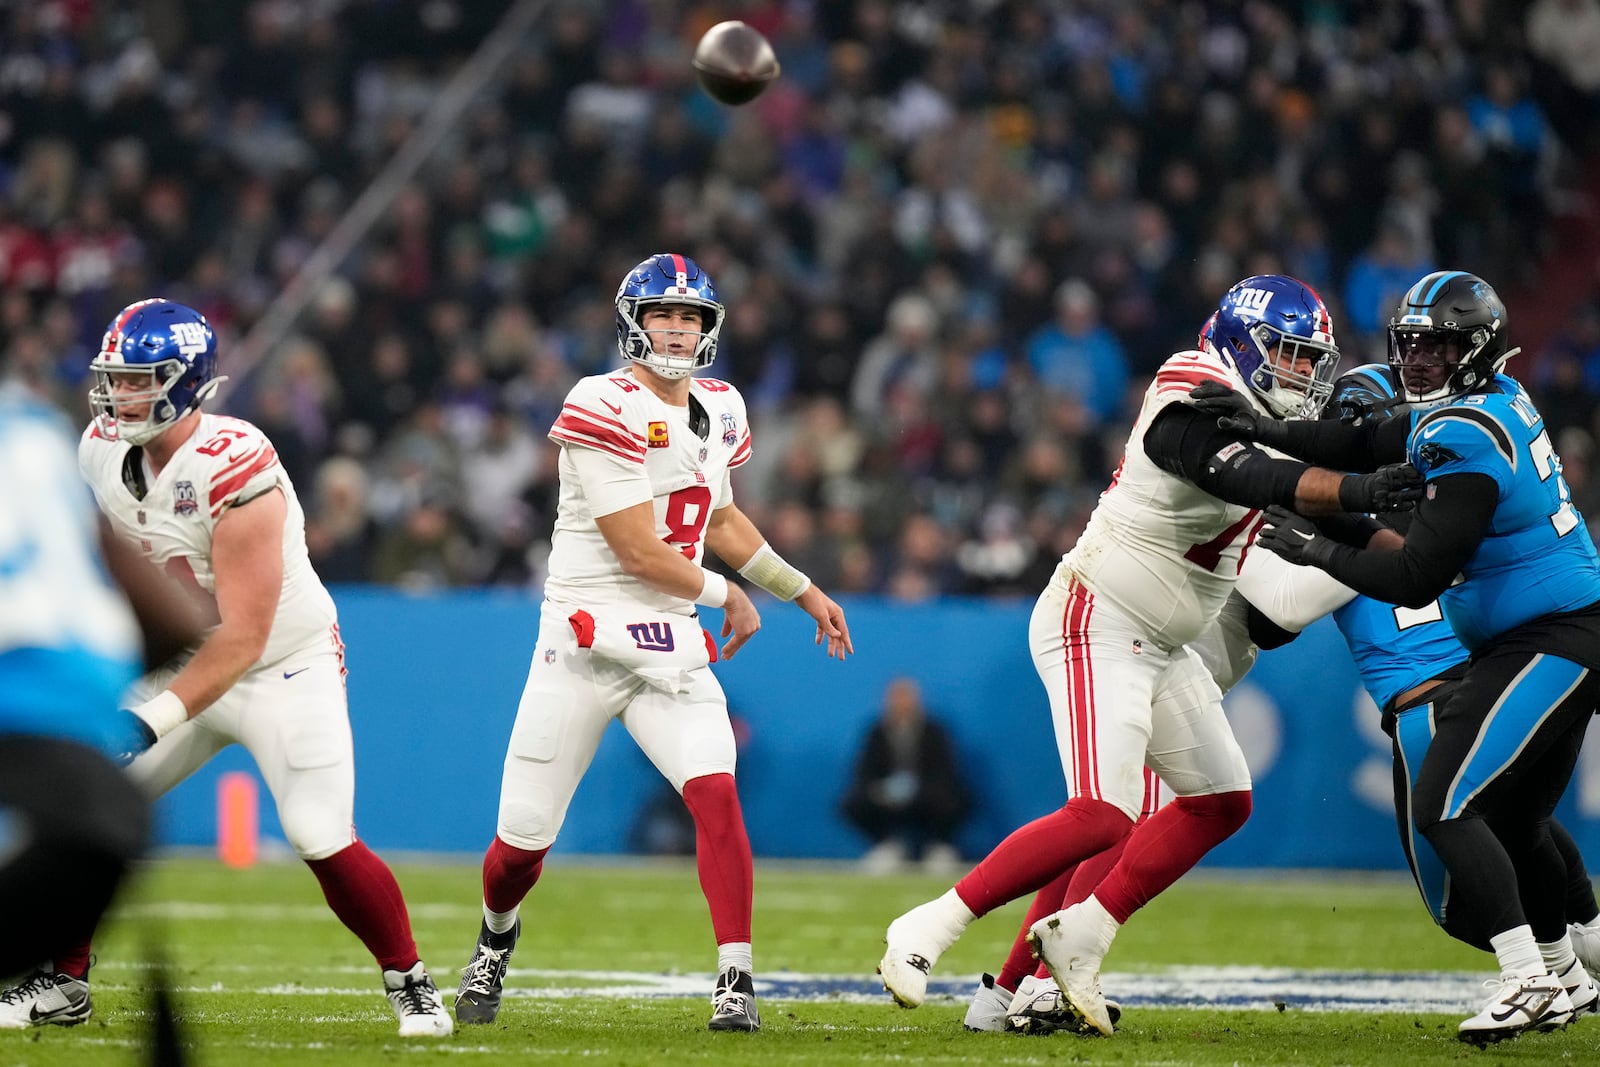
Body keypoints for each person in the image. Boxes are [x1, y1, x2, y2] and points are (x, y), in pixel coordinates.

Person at [877, 274, 1422, 1035]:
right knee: (1102, 814)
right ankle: (930, 925)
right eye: (1290, 356)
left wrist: (1403, 496)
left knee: (1221, 799)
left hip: (1160, 645)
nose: (1303, 375)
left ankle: (1079, 939)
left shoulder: (1267, 419)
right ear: (1243, 342)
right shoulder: (1189, 383)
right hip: (1098, 615)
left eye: (1310, 360)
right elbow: (1248, 475)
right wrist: (1360, 491)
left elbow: (1310, 474)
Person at [0, 299, 455, 1038]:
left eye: (140, 380)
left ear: (187, 384)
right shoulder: (97, 449)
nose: (119, 396)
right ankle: (62, 981)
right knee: (84, 810)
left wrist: (145, 719)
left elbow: (243, 635)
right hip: (186, 660)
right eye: (115, 379)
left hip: (281, 663)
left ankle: (410, 981)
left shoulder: (239, 466)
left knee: (318, 831)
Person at [1196, 270, 1600, 1044]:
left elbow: (1413, 573)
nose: (1418, 362)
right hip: (1540, 632)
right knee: (1515, 816)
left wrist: (1314, 541)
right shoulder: (1483, 403)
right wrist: (1262, 429)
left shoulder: (1461, 435)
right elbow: (1352, 439)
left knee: (1447, 807)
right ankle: (1563, 972)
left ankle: (1529, 980)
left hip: (1556, 634)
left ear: (1474, 349)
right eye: (1410, 345)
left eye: (1437, 346)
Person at [452, 253, 852, 1033]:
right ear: (633, 323)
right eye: (664, 314)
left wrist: (800, 588)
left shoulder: (723, 405)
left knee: (717, 796)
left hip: (668, 641)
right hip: (585, 640)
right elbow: (638, 549)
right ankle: (496, 938)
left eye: (691, 317)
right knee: (519, 849)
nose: (677, 328)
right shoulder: (601, 400)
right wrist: (725, 592)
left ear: (708, 328)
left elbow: (722, 521)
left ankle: (735, 977)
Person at [840, 676, 972, 874]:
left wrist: (917, 789)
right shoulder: (876, 732)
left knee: (957, 799)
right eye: (896, 698)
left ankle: (938, 847)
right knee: (853, 802)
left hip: (925, 795)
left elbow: (945, 772)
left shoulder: (934, 731)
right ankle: (887, 846)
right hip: (887, 796)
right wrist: (884, 789)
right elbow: (864, 772)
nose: (901, 704)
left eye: (906, 698)